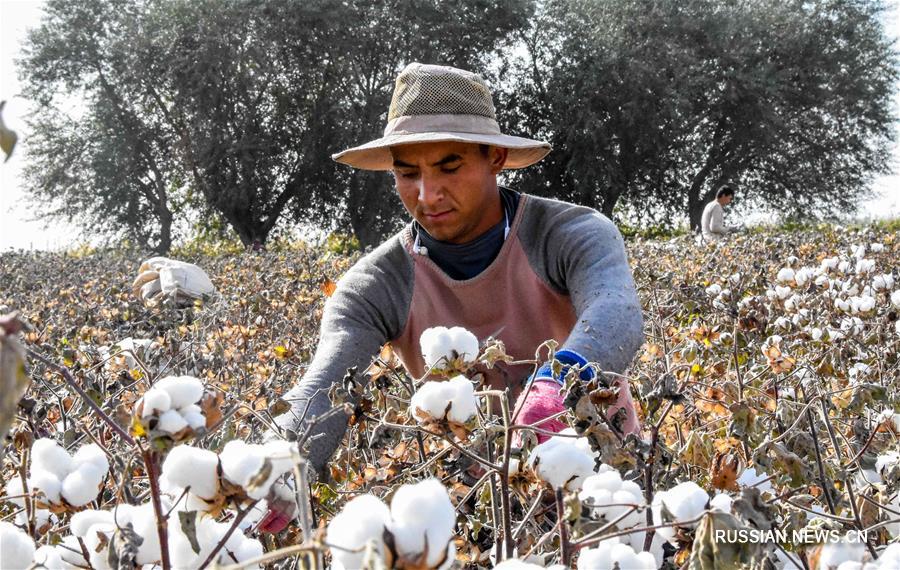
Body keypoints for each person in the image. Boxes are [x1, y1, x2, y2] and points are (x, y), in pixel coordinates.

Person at [259, 63, 644, 531]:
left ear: (495, 159)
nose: (427, 194)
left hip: (600, 477)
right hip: (473, 501)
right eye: (407, 173)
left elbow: (616, 312)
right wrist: (273, 471)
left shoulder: (571, 234)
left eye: (449, 166)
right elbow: (324, 386)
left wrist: (554, 391)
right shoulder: (377, 283)